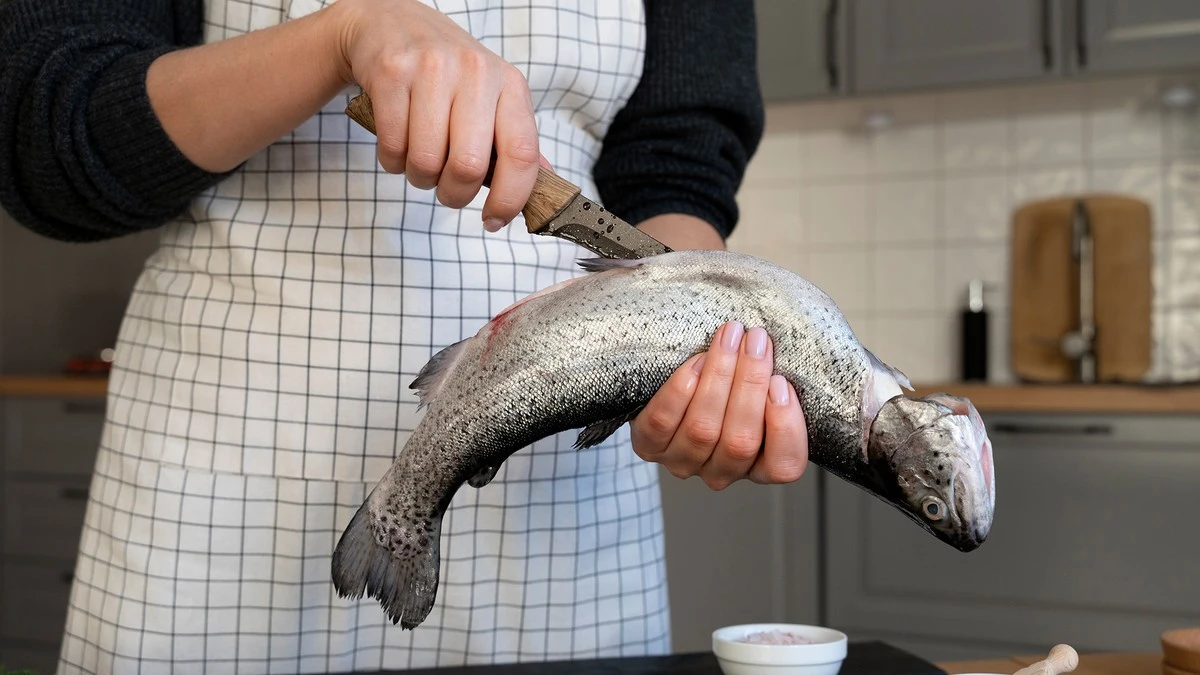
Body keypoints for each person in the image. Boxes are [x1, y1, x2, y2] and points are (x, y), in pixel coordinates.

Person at [0, 0, 810, 672]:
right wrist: (340, 36)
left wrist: (698, 357)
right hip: (227, 470)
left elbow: (676, 162)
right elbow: (52, 127)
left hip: (562, 499)